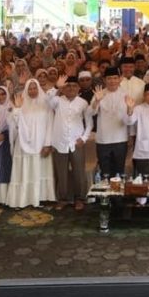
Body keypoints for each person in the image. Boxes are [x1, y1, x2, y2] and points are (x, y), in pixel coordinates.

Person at [6, 79, 56, 209]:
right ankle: (23, 199)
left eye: (35, 88)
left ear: (38, 89)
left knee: (39, 170)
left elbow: (50, 124)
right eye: (30, 88)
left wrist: (47, 144)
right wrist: (16, 109)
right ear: (26, 90)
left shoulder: (46, 104)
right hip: (23, 144)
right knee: (24, 171)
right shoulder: (21, 103)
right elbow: (15, 124)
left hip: (41, 144)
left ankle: (40, 198)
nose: (32, 91)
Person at [49, 76, 91, 210]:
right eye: (68, 86)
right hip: (59, 142)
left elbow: (89, 123)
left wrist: (84, 138)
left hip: (76, 142)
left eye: (74, 86)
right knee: (61, 172)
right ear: (64, 88)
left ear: (78, 88)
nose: (71, 88)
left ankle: (80, 199)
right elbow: (48, 102)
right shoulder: (57, 100)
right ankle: (63, 199)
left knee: (79, 172)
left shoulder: (83, 102)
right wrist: (58, 88)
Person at [93, 67, 131, 178]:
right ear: (104, 80)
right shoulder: (99, 93)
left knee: (119, 173)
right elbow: (91, 113)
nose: (112, 81)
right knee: (105, 174)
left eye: (115, 78)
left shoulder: (126, 94)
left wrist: (130, 109)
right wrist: (96, 101)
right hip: (103, 140)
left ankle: (117, 196)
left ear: (120, 79)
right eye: (109, 78)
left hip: (120, 140)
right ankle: (107, 195)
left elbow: (129, 120)